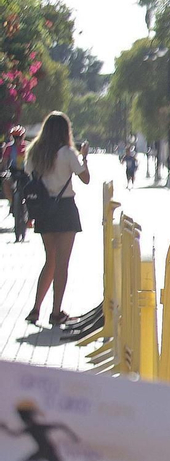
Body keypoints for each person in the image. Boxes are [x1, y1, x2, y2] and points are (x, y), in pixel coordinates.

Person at [23, 112, 89, 326]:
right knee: (62, 263)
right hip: (65, 209)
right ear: (64, 130)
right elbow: (86, 178)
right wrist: (84, 156)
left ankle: (35, 309)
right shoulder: (68, 153)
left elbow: (28, 173)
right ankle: (56, 311)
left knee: (49, 259)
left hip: (43, 209)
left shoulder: (34, 151)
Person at [2, 126, 28, 242]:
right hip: (13, 172)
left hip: (26, 173)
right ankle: (12, 202)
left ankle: (29, 208)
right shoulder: (8, 148)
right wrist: (2, 170)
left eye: (19, 137)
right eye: (15, 137)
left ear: (23, 137)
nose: (17, 139)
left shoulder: (27, 146)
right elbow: (4, 162)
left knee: (32, 189)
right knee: (5, 182)